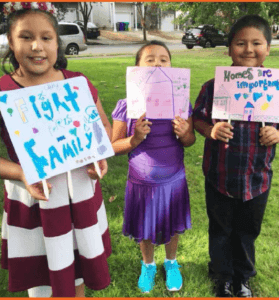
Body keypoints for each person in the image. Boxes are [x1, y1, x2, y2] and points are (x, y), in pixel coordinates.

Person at [0, 2, 112, 297]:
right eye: (25, 37)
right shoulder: (3, 91)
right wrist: (21, 172)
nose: (37, 46)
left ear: (56, 43)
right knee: (43, 280)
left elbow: (104, 130)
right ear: (11, 42)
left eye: (46, 38)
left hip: (80, 194)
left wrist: (97, 154)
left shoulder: (78, 83)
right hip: (36, 198)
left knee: (76, 275)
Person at [193, 15, 279, 297]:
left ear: (268, 47)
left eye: (257, 43)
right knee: (220, 230)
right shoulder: (212, 87)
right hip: (220, 176)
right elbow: (198, 119)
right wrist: (212, 129)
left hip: (257, 178)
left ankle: (243, 277)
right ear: (229, 49)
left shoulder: (274, 89)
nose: (248, 49)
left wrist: (277, 133)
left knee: (247, 232)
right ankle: (223, 276)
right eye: (240, 43)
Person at [111, 40, 196, 293]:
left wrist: (184, 133)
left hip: (173, 180)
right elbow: (113, 146)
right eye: (150, 60)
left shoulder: (180, 102)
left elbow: (190, 141)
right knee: (144, 227)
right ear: (137, 67)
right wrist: (134, 139)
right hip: (141, 182)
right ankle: (148, 264)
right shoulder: (127, 105)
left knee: (171, 224)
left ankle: (171, 263)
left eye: (163, 59)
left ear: (171, 66)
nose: (157, 64)